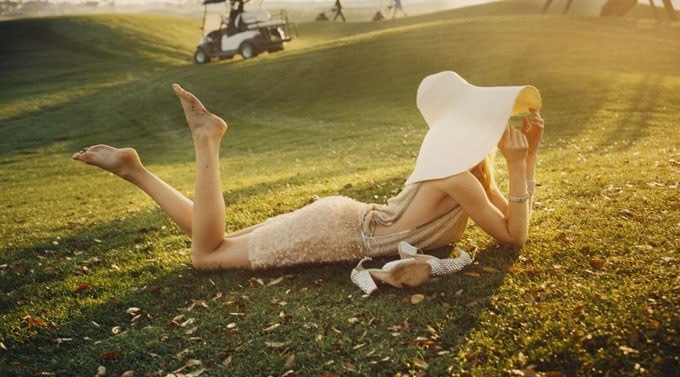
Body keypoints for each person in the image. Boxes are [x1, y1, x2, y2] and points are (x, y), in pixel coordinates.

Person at [72, 71, 543, 293]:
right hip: (335, 230)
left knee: (214, 239)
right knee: (206, 255)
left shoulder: (469, 173)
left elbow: (510, 222)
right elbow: (513, 237)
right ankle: (206, 140)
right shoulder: (457, 177)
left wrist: (526, 158)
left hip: (342, 220)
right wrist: (521, 165)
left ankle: (135, 170)